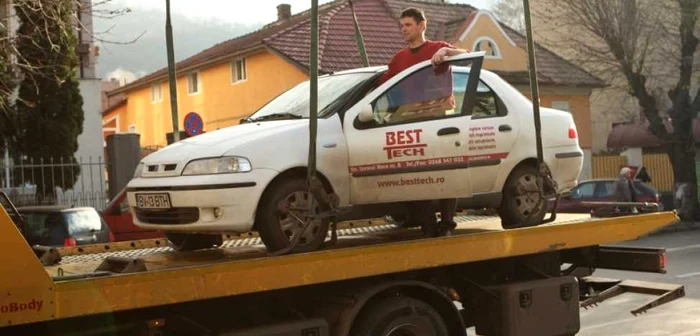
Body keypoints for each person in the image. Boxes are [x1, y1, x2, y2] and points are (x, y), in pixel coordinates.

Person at [380, 7, 470, 237]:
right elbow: (383, 87)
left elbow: (466, 55)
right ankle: (428, 224)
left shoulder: (436, 48)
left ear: (422, 26)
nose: (404, 29)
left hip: (439, 119)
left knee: (446, 171)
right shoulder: (399, 58)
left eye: (408, 24)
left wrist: (446, 54)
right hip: (411, 121)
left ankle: (448, 223)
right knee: (418, 175)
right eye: (401, 25)